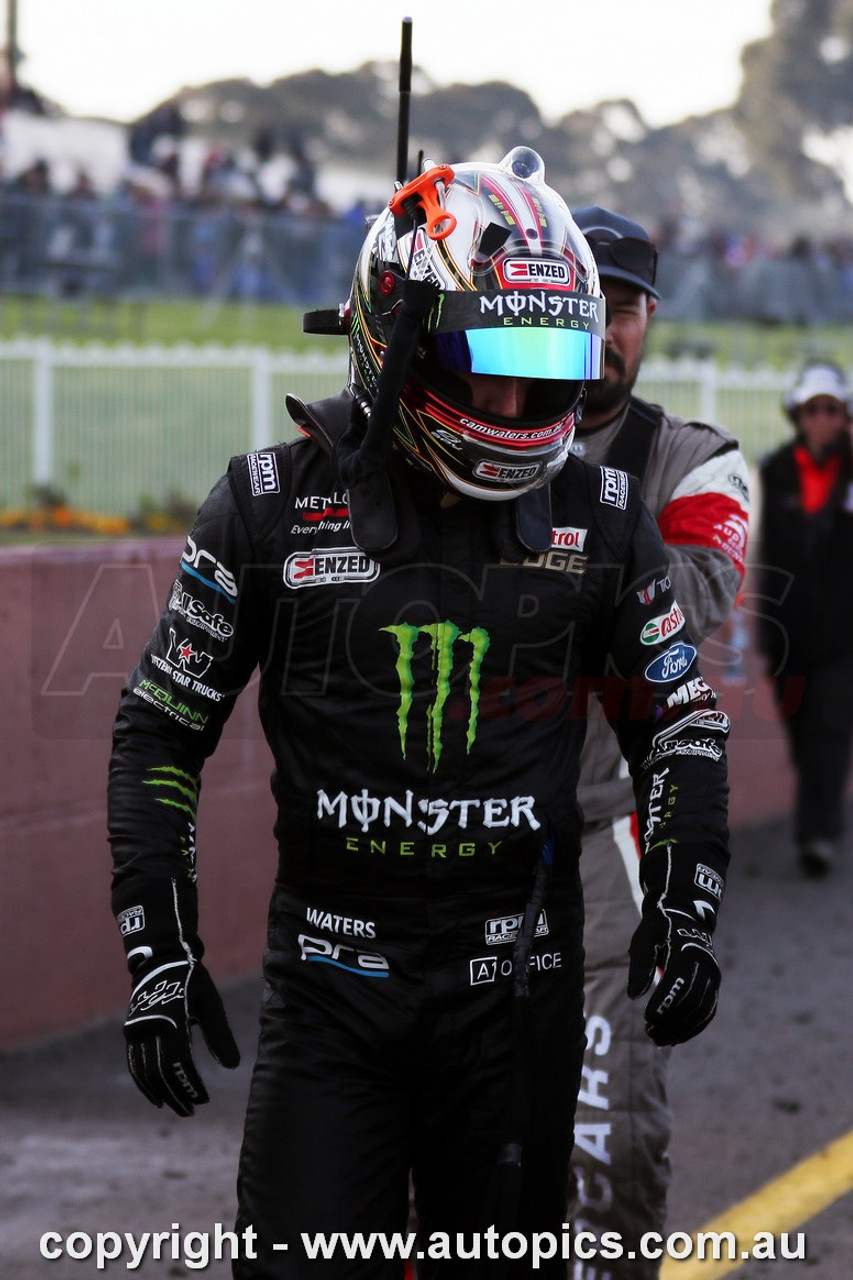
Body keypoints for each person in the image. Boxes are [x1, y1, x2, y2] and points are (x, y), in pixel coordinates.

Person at [108, 150, 730, 1279]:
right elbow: (160, 727)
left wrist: (688, 899)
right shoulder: (266, 505)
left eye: (549, 367)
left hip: (515, 1000)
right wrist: (158, 944)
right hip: (328, 998)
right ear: (397, 337)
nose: (519, 403)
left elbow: (679, 722)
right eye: (491, 364)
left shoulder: (602, 513)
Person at [567, 207, 750, 1279]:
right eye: (584, 299)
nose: (604, 325)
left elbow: (688, 599)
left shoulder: (697, 459)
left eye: (625, 305)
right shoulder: (458, 438)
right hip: (458, 837)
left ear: (648, 319)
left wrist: (541, 516)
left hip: (608, 841)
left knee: (613, 1138)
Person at [756, 360, 853, 877]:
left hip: (843, 632)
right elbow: (766, 551)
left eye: (831, 409)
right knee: (801, 729)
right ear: (798, 415)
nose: (822, 419)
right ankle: (820, 808)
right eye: (813, 409)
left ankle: (818, 833)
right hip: (788, 631)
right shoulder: (775, 469)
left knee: (828, 728)